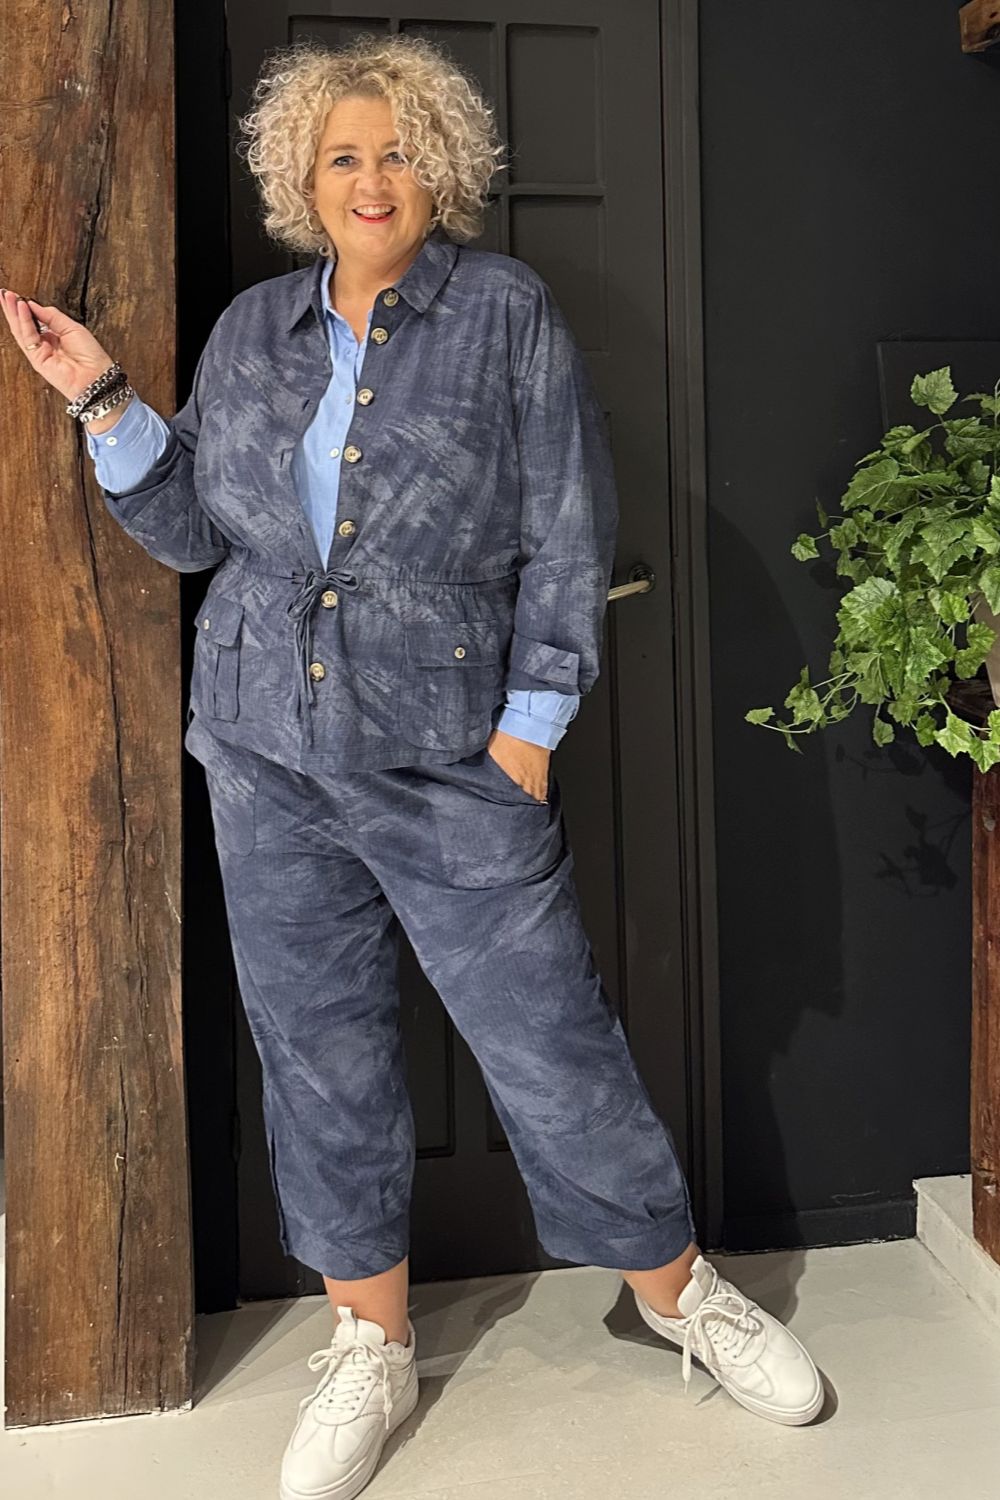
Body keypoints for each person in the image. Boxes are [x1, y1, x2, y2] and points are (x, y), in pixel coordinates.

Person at [2, 31, 823, 1500]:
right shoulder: (253, 330)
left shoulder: (505, 312)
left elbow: (567, 531)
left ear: (437, 168)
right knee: (317, 1051)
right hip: (264, 750)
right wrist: (104, 401)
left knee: (550, 1041)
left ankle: (678, 1292)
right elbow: (193, 534)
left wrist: (530, 732)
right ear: (302, 181)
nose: (370, 179)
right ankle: (369, 1342)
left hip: (455, 758)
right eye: (342, 156)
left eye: (395, 153)